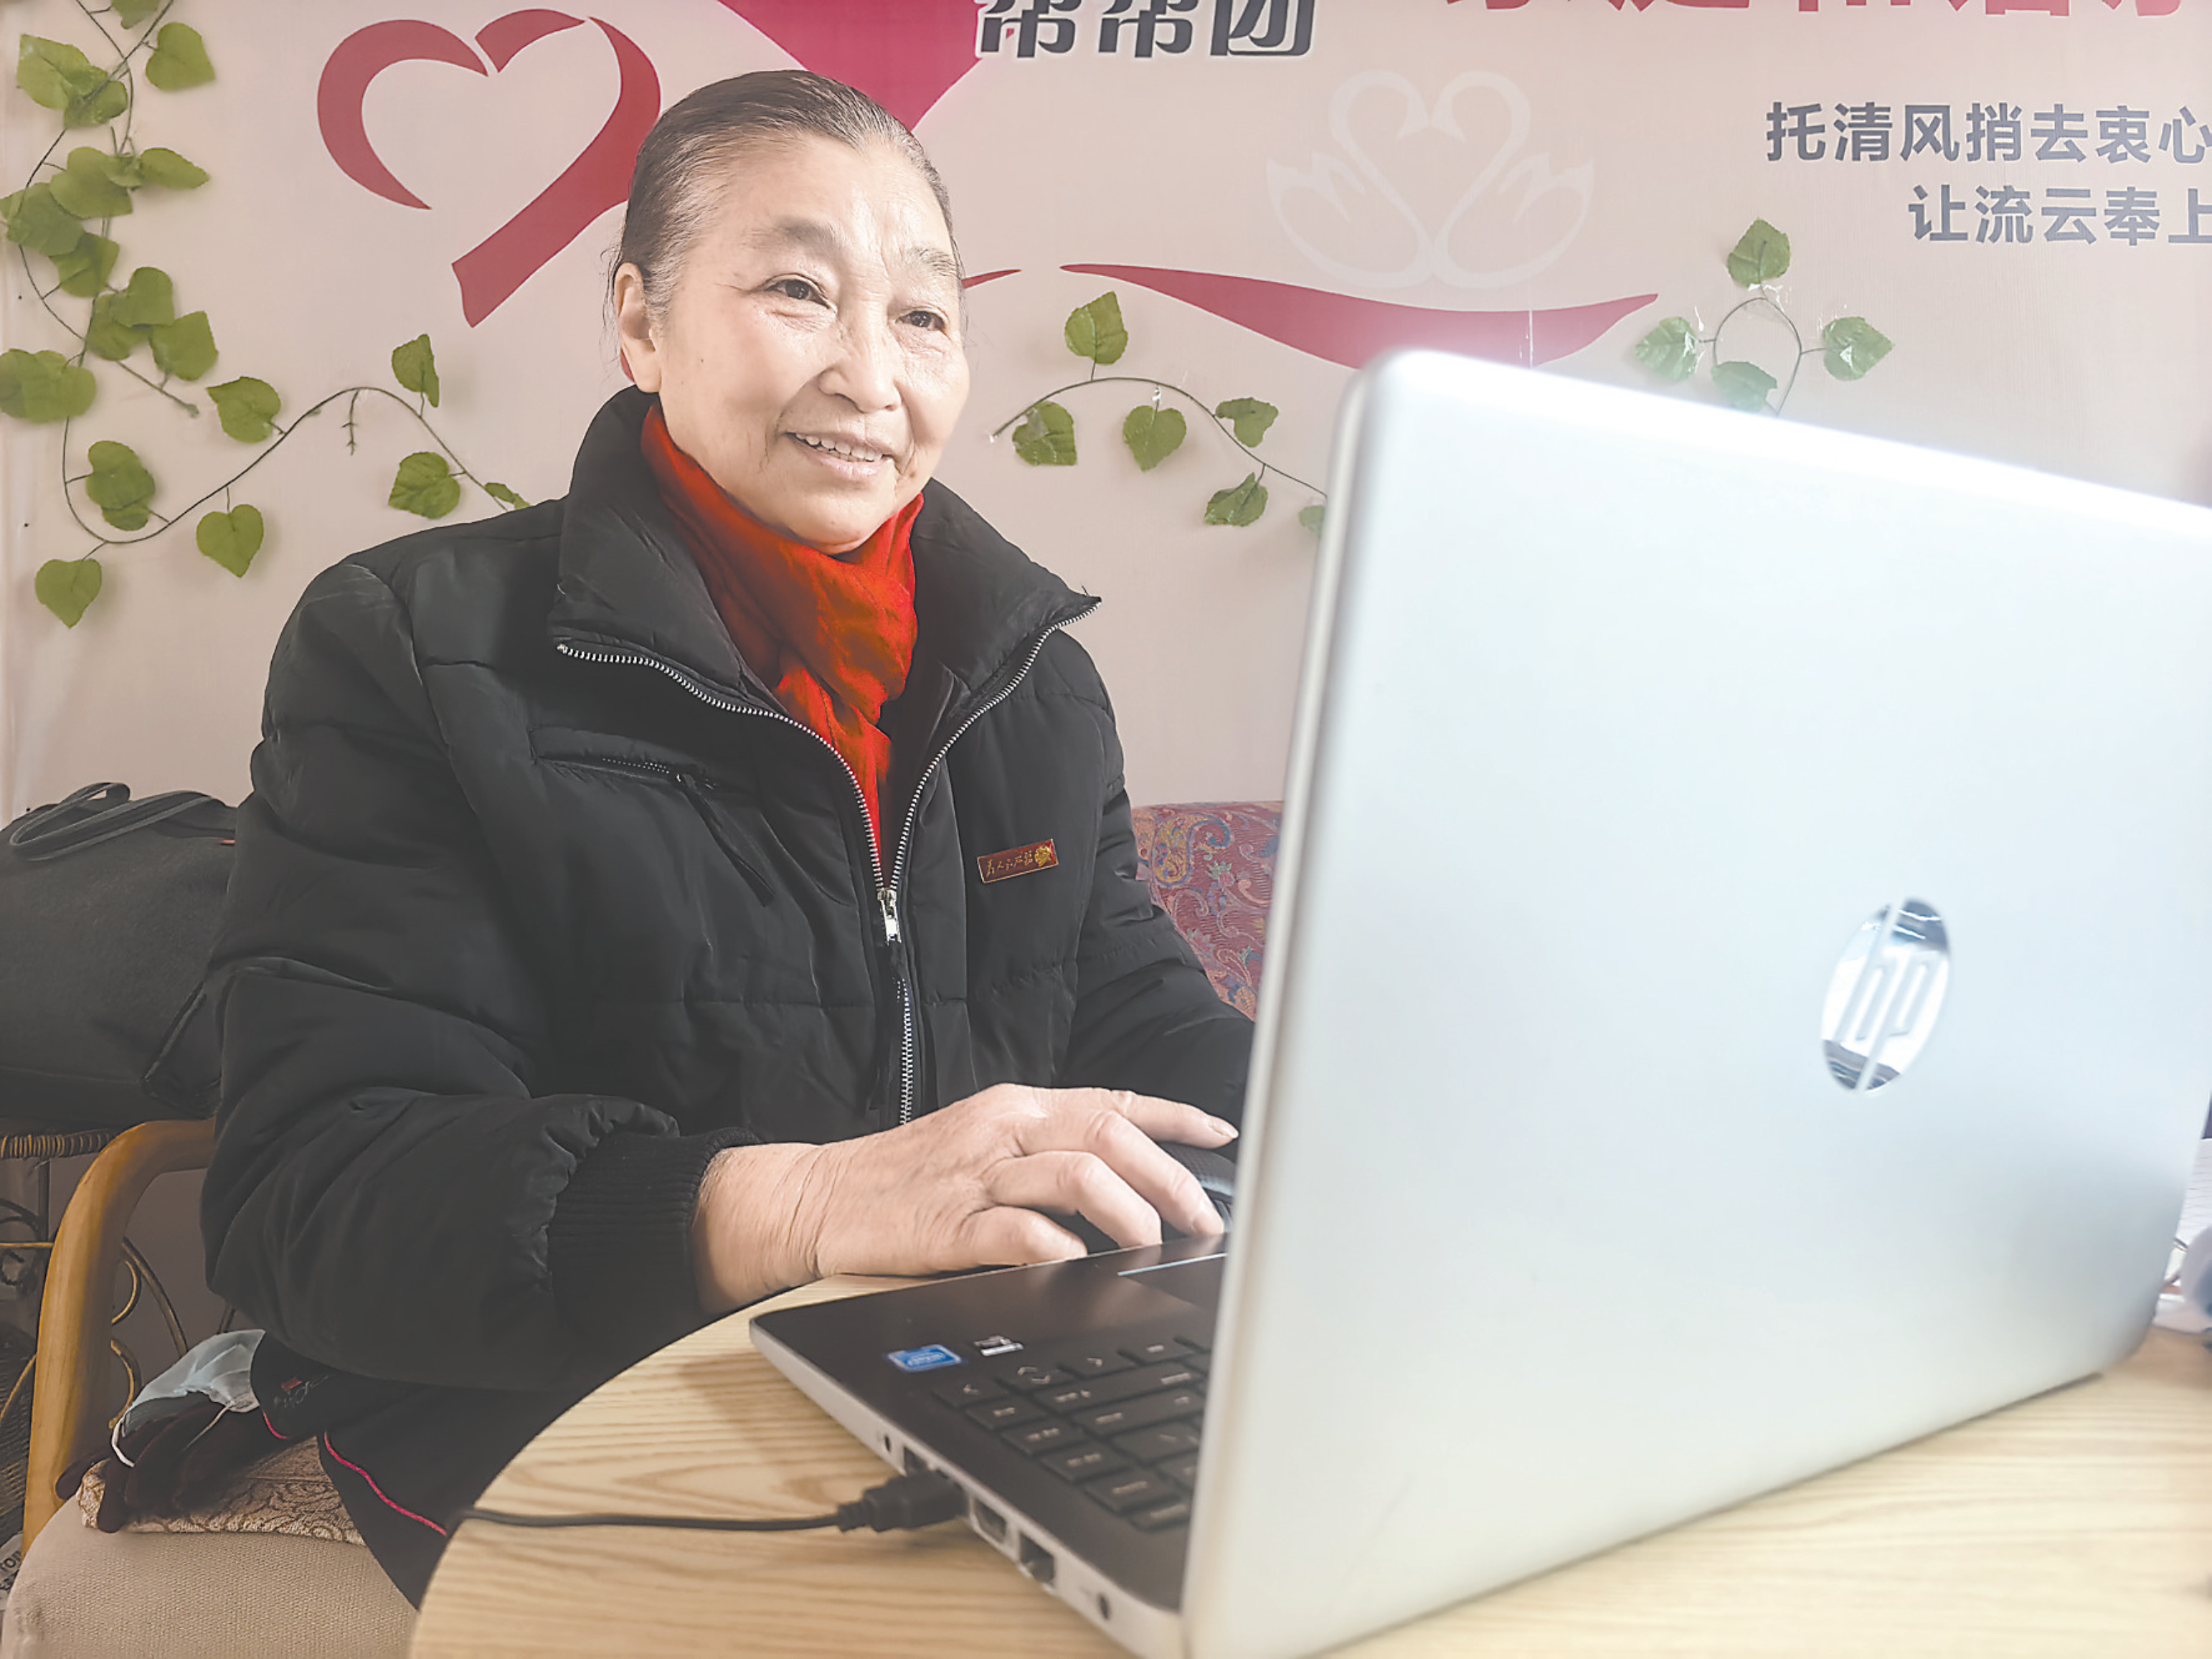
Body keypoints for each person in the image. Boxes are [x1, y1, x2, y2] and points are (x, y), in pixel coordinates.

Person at [198, 70, 1252, 1602]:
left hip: (951, 1348)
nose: (871, 373)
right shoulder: (414, 646)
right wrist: (812, 1204)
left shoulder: (1033, 686)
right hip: (545, 1386)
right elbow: (317, 1190)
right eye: (799, 291)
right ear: (639, 323)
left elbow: (1136, 1020)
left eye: (923, 314)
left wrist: (1357, 1135)